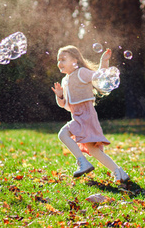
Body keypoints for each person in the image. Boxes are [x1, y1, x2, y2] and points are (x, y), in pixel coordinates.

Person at [51, 45, 129, 184]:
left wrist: (103, 62)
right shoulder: (65, 80)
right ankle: (120, 172)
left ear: (75, 60)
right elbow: (64, 105)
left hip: (86, 115)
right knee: (94, 151)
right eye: (58, 60)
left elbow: (100, 76)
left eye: (63, 59)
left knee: (63, 134)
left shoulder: (81, 72)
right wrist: (60, 96)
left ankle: (82, 162)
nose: (59, 63)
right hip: (77, 116)